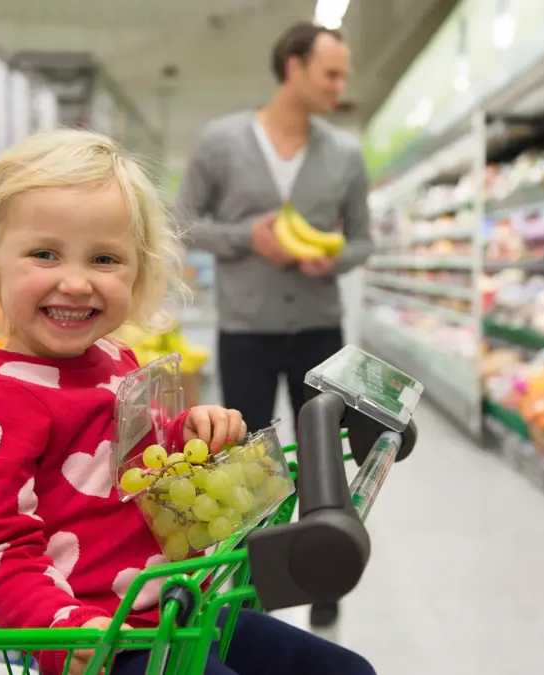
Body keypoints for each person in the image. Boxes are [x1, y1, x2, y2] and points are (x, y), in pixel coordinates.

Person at [0, 129, 376, 675]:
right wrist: (64, 630)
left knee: (346, 671)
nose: (75, 282)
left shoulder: (117, 360)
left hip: (181, 611)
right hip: (106, 643)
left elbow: (146, 467)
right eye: (44, 255)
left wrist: (193, 431)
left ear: (139, 271)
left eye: (104, 259)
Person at [176, 22, 373, 627]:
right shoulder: (221, 141)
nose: (341, 86)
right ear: (293, 67)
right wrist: (246, 239)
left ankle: (325, 575)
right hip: (246, 329)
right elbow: (182, 220)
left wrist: (334, 256)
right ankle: (248, 580)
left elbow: (363, 240)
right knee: (250, 460)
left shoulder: (343, 153)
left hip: (319, 328)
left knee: (327, 456)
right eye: (330, 74)